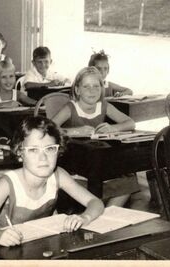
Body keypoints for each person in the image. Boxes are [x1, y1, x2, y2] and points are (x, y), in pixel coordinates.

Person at [0, 116, 104, 247]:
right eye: (33, 150)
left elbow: (95, 202)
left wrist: (84, 217)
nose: (43, 158)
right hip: (6, 249)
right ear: (20, 153)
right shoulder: (8, 183)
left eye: (50, 149)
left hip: (40, 243)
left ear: (58, 151)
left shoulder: (59, 175)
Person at [52, 66, 138, 207]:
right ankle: (97, 209)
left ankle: (107, 213)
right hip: (76, 166)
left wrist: (112, 128)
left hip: (101, 162)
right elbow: (49, 128)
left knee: (129, 180)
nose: (92, 90)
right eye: (86, 87)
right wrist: (75, 131)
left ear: (101, 88)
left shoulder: (104, 106)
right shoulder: (71, 108)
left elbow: (130, 123)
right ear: (77, 90)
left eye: (96, 86)